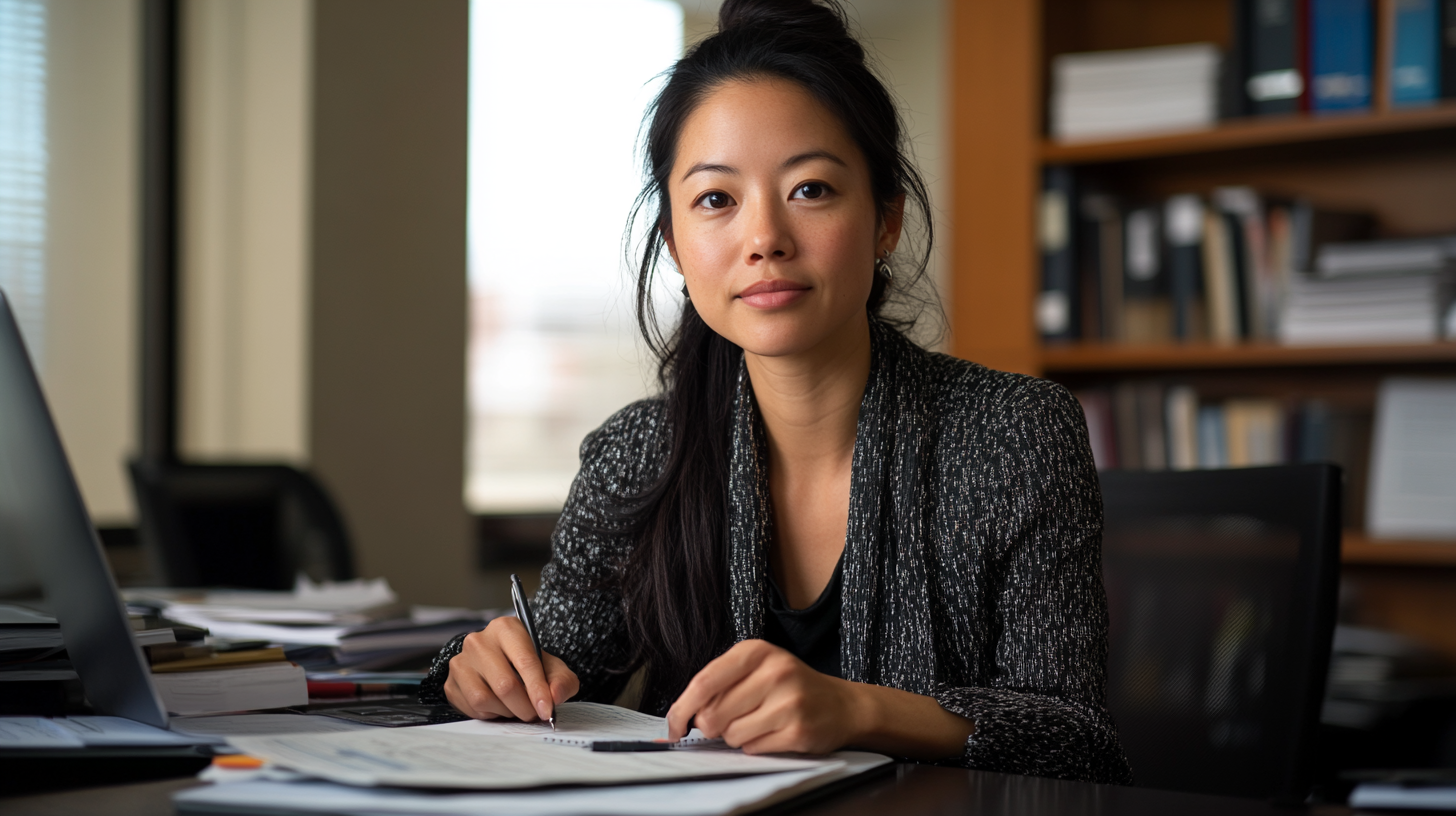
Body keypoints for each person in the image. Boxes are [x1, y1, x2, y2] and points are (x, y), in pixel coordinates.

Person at [421, 0, 1132, 784]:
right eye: (717, 200)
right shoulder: (637, 453)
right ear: (676, 248)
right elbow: (551, 668)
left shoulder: (1014, 434)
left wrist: (859, 709)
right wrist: (480, 669)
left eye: (811, 189)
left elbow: (1076, 736)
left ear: (886, 218)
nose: (764, 238)